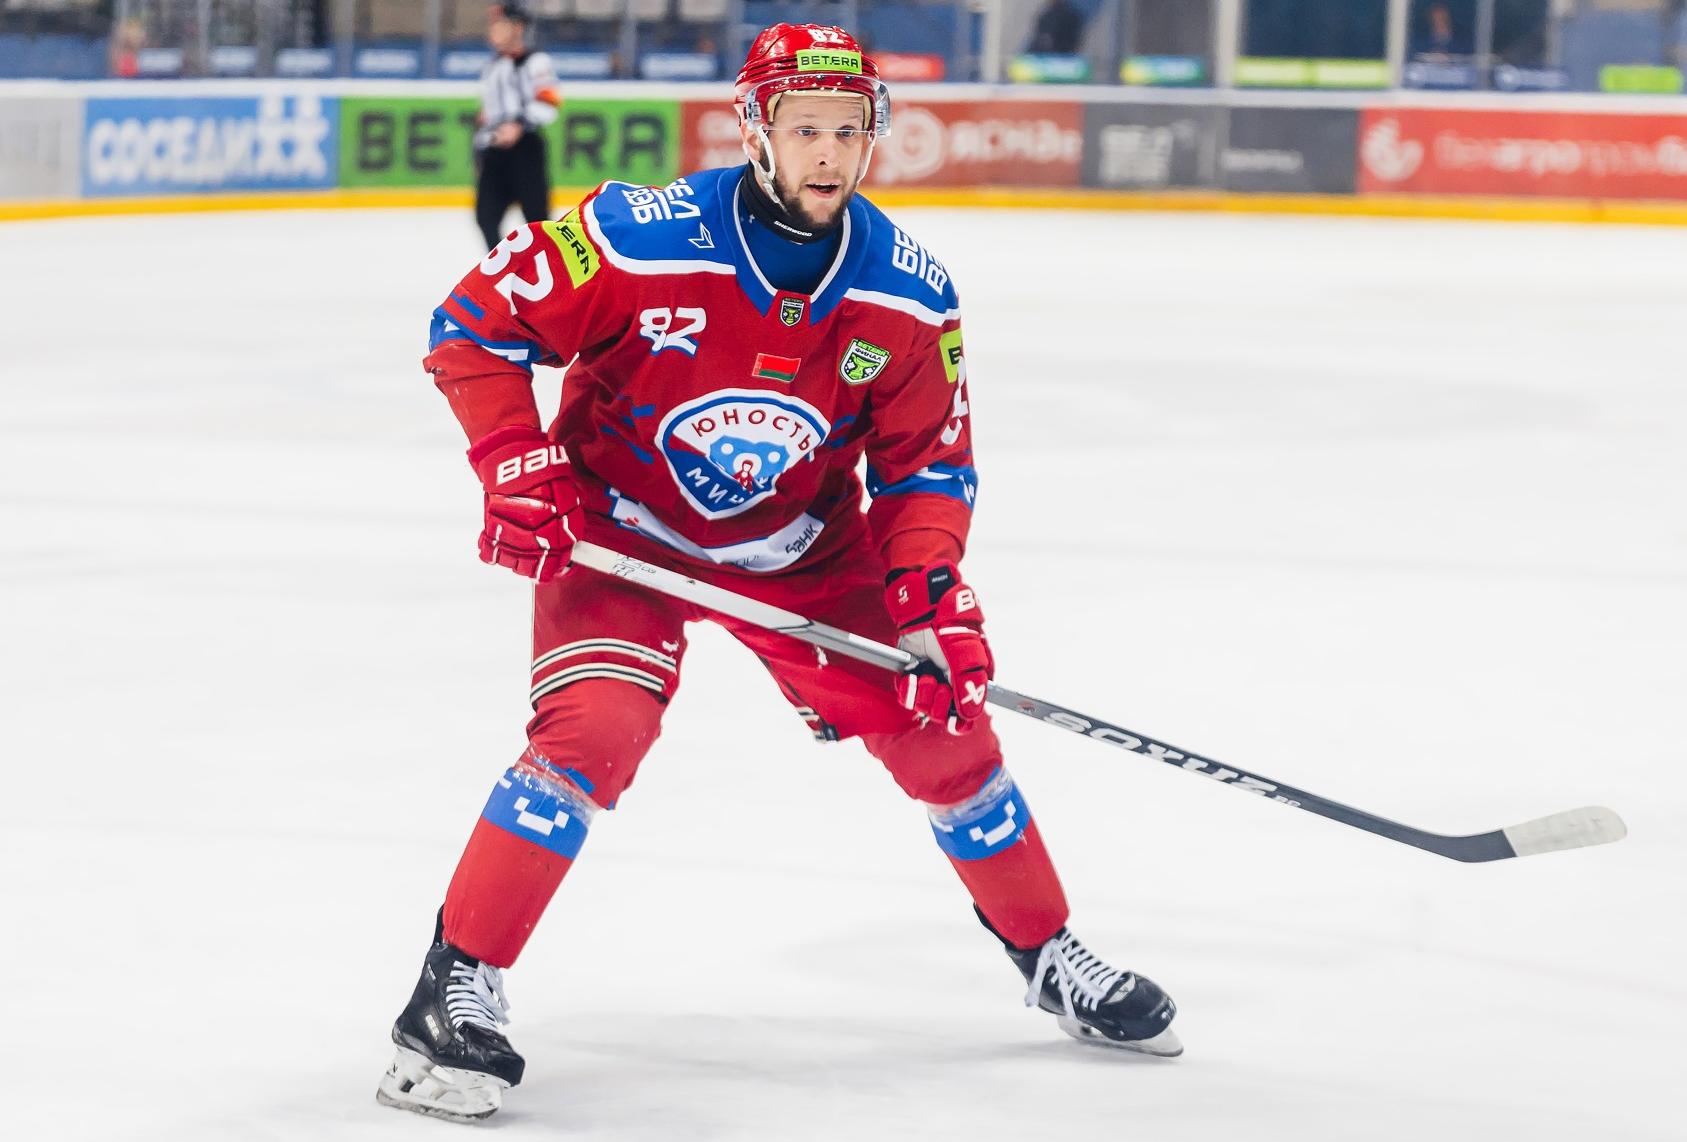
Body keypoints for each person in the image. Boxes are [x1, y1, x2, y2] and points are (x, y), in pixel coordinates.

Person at [376, 22, 1180, 1122]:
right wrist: (515, 461)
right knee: (595, 731)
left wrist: (928, 596)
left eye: (848, 130)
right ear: (756, 131)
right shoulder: (636, 234)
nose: (828, 151)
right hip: (621, 532)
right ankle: (452, 988)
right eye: (805, 128)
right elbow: (473, 322)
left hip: (801, 549)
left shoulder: (907, 292)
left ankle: (1050, 954)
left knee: (947, 736)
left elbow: (927, 468)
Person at [473, 2, 561, 250]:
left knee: (538, 222)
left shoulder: (535, 61)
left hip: (525, 149)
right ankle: (506, 267)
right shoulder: (492, 66)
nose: (493, 30)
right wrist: (481, 144)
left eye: (499, 24)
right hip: (495, 151)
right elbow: (488, 111)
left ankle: (544, 270)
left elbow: (549, 102)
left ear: (518, 27)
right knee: (486, 217)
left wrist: (519, 124)